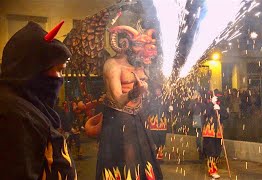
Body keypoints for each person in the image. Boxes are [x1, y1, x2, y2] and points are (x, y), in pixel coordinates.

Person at [0, 21, 77, 179]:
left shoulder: (28, 106)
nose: (60, 78)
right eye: (58, 70)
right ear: (33, 69)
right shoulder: (13, 114)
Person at [95, 25, 162, 180]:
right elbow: (119, 100)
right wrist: (133, 93)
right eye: (139, 46)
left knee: (145, 157)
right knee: (126, 161)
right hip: (118, 119)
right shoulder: (113, 65)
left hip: (138, 116)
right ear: (125, 44)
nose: (146, 52)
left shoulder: (141, 65)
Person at [202, 90, 229, 179]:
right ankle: (212, 170)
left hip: (218, 132)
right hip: (209, 132)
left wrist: (219, 109)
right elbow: (206, 113)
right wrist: (211, 105)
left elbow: (226, 116)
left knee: (217, 151)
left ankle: (214, 167)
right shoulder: (207, 105)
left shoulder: (222, 106)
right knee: (211, 151)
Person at [147, 85, 167, 160]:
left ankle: (160, 154)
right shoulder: (152, 100)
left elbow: (168, 110)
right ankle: (154, 154)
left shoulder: (165, 99)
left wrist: (169, 108)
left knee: (162, 138)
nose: (157, 91)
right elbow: (149, 109)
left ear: (161, 91)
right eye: (156, 90)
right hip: (153, 122)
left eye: (158, 90)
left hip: (162, 122)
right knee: (154, 138)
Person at [188, 91, 205, 158]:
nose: (196, 96)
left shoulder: (202, 102)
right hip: (197, 119)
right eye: (195, 95)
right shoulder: (193, 103)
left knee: (204, 136)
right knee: (198, 136)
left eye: (197, 95)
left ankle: (204, 150)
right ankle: (200, 151)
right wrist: (193, 101)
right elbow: (189, 110)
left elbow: (205, 109)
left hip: (203, 120)